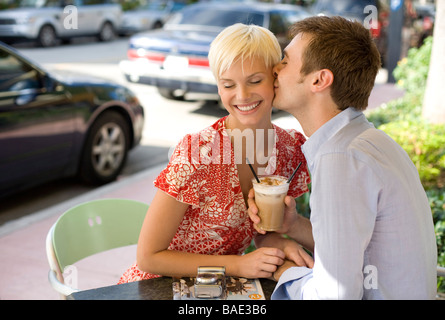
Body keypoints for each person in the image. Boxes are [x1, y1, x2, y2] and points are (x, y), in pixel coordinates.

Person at [248, 16, 437, 299]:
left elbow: (335, 294)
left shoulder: (340, 158)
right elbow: (360, 251)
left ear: (319, 79)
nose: (275, 68)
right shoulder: (368, 142)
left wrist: (284, 272)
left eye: (285, 62)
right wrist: (293, 226)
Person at [118, 23, 312, 283]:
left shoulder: (288, 150)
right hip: (155, 286)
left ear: (276, 77)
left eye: (255, 81)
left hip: (218, 288)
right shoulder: (198, 153)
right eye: (228, 85)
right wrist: (237, 265)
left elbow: (258, 228)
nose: (242, 96)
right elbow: (149, 257)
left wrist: (280, 242)